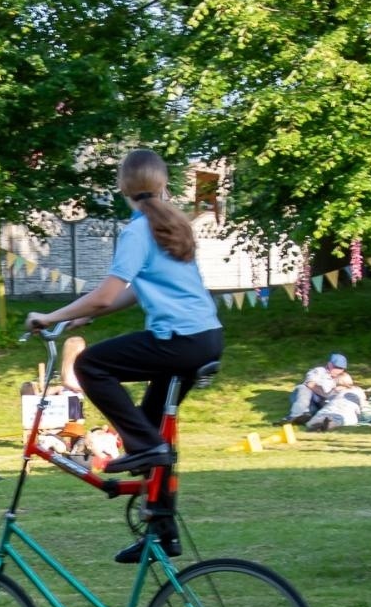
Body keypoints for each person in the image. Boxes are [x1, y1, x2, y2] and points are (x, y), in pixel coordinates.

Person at [25, 148, 224, 563]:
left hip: (178, 340)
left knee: (90, 365)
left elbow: (106, 294)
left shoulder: (139, 230)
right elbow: (133, 292)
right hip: (204, 338)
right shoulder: (172, 224)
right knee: (152, 431)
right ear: (162, 184)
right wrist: (83, 316)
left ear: (122, 187)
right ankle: (162, 534)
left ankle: (144, 446)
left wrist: (51, 316)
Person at [285, 354, 348, 425]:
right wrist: (327, 394)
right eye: (337, 367)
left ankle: (306, 416)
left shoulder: (342, 377)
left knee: (314, 410)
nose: (339, 371)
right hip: (306, 397)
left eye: (342, 368)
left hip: (320, 403)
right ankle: (294, 416)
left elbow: (348, 387)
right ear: (330, 365)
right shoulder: (319, 371)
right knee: (304, 388)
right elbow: (310, 384)